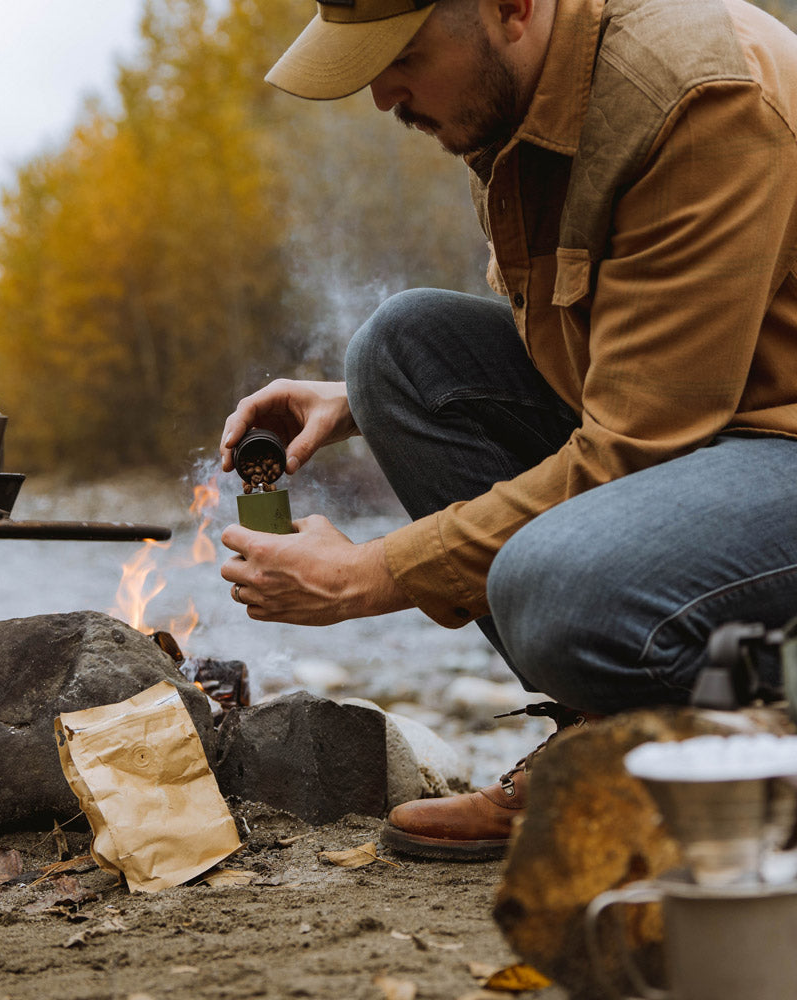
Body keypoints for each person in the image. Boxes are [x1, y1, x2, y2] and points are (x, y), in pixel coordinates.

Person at [219, 0, 797, 859]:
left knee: (552, 583)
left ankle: (722, 758)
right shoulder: (517, 94)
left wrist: (370, 574)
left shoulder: (696, 97)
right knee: (397, 354)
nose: (383, 94)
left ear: (511, 8)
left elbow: (634, 447)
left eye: (403, 55)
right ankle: (606, 736)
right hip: (708, 424)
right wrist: (360, 400)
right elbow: (614, 345)